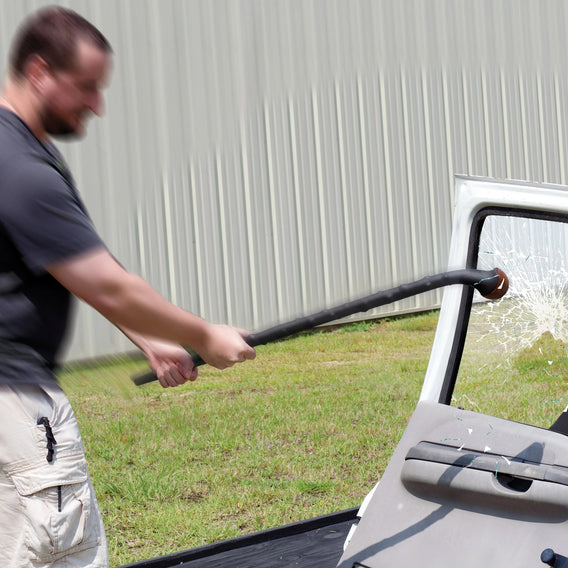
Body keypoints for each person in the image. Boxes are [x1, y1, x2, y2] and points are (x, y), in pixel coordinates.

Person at [0, 6, 256, 567]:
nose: (97, 104)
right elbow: (108, 284)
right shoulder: (18, 165)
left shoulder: (19, 149)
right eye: (86, 87)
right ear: (40, 72)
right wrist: (204, 334)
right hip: (17, 406)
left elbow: (72, 259)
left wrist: (149, 338)